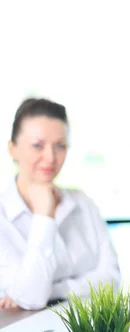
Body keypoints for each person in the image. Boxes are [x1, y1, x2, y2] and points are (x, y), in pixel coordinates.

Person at [0, 98, 120, 310]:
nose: (50, 158)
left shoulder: (83, 203)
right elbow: (31, 298)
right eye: (37, 145)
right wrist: (44, 217)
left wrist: (55, 289)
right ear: (13, 149)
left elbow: (111, 279)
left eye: (60, 146)